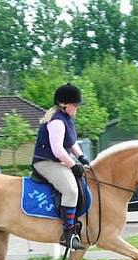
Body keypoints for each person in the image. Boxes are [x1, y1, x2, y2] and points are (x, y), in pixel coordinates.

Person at [32, 83, 90, 250]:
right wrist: (73, 165)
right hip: (46, 163)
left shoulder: (67, 119)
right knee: (71, 190)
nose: (77, 107)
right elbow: (58, 150)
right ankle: (68, 234)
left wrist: (82, 158)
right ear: (64, 104)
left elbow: (71, 143)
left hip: (56, 161)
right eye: (75, 104)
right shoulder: (57, 121)